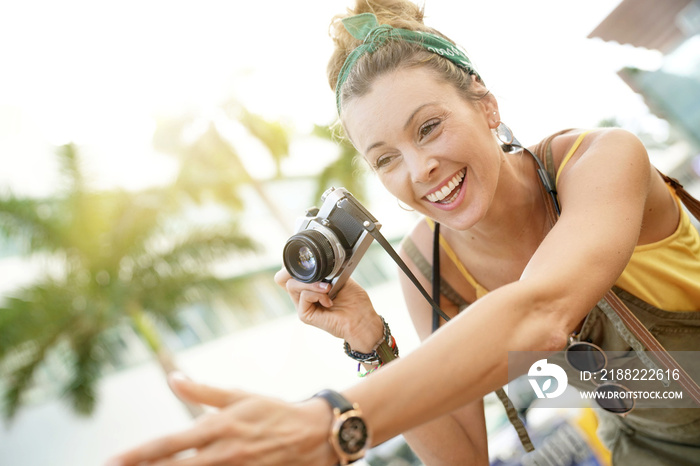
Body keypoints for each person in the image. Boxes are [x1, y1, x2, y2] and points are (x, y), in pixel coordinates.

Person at [106, 0, 700, 465]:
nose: (420, 171)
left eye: (430, 127)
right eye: (385, 158)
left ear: (487, 105)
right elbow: (463, 457)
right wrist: (371, 344)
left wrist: (330, 421)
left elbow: (541, 312)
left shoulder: (599, 160)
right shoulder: (428, 265)